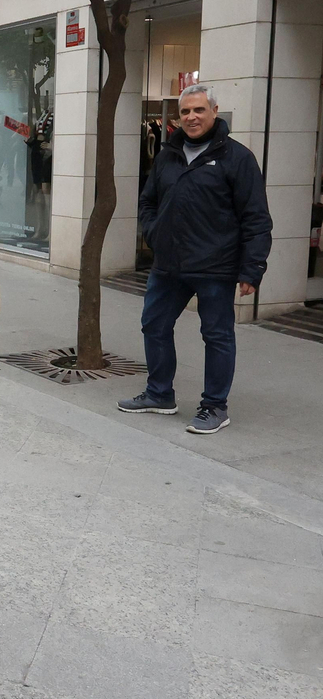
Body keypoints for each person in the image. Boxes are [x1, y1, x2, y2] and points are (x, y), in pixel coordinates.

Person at [120, 83, 272, 435]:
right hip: (169, 264)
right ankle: (160, 394)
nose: (191, 117)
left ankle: (215, 406)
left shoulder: (237, 158)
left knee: (217, 336)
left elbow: (256, 217)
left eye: (199, 110)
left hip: (215, 266)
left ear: (214, 112)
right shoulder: (167, 155)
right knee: (154, 325)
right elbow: (148, 200)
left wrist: (253, 268)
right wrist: (153, 233)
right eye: (185, 111)